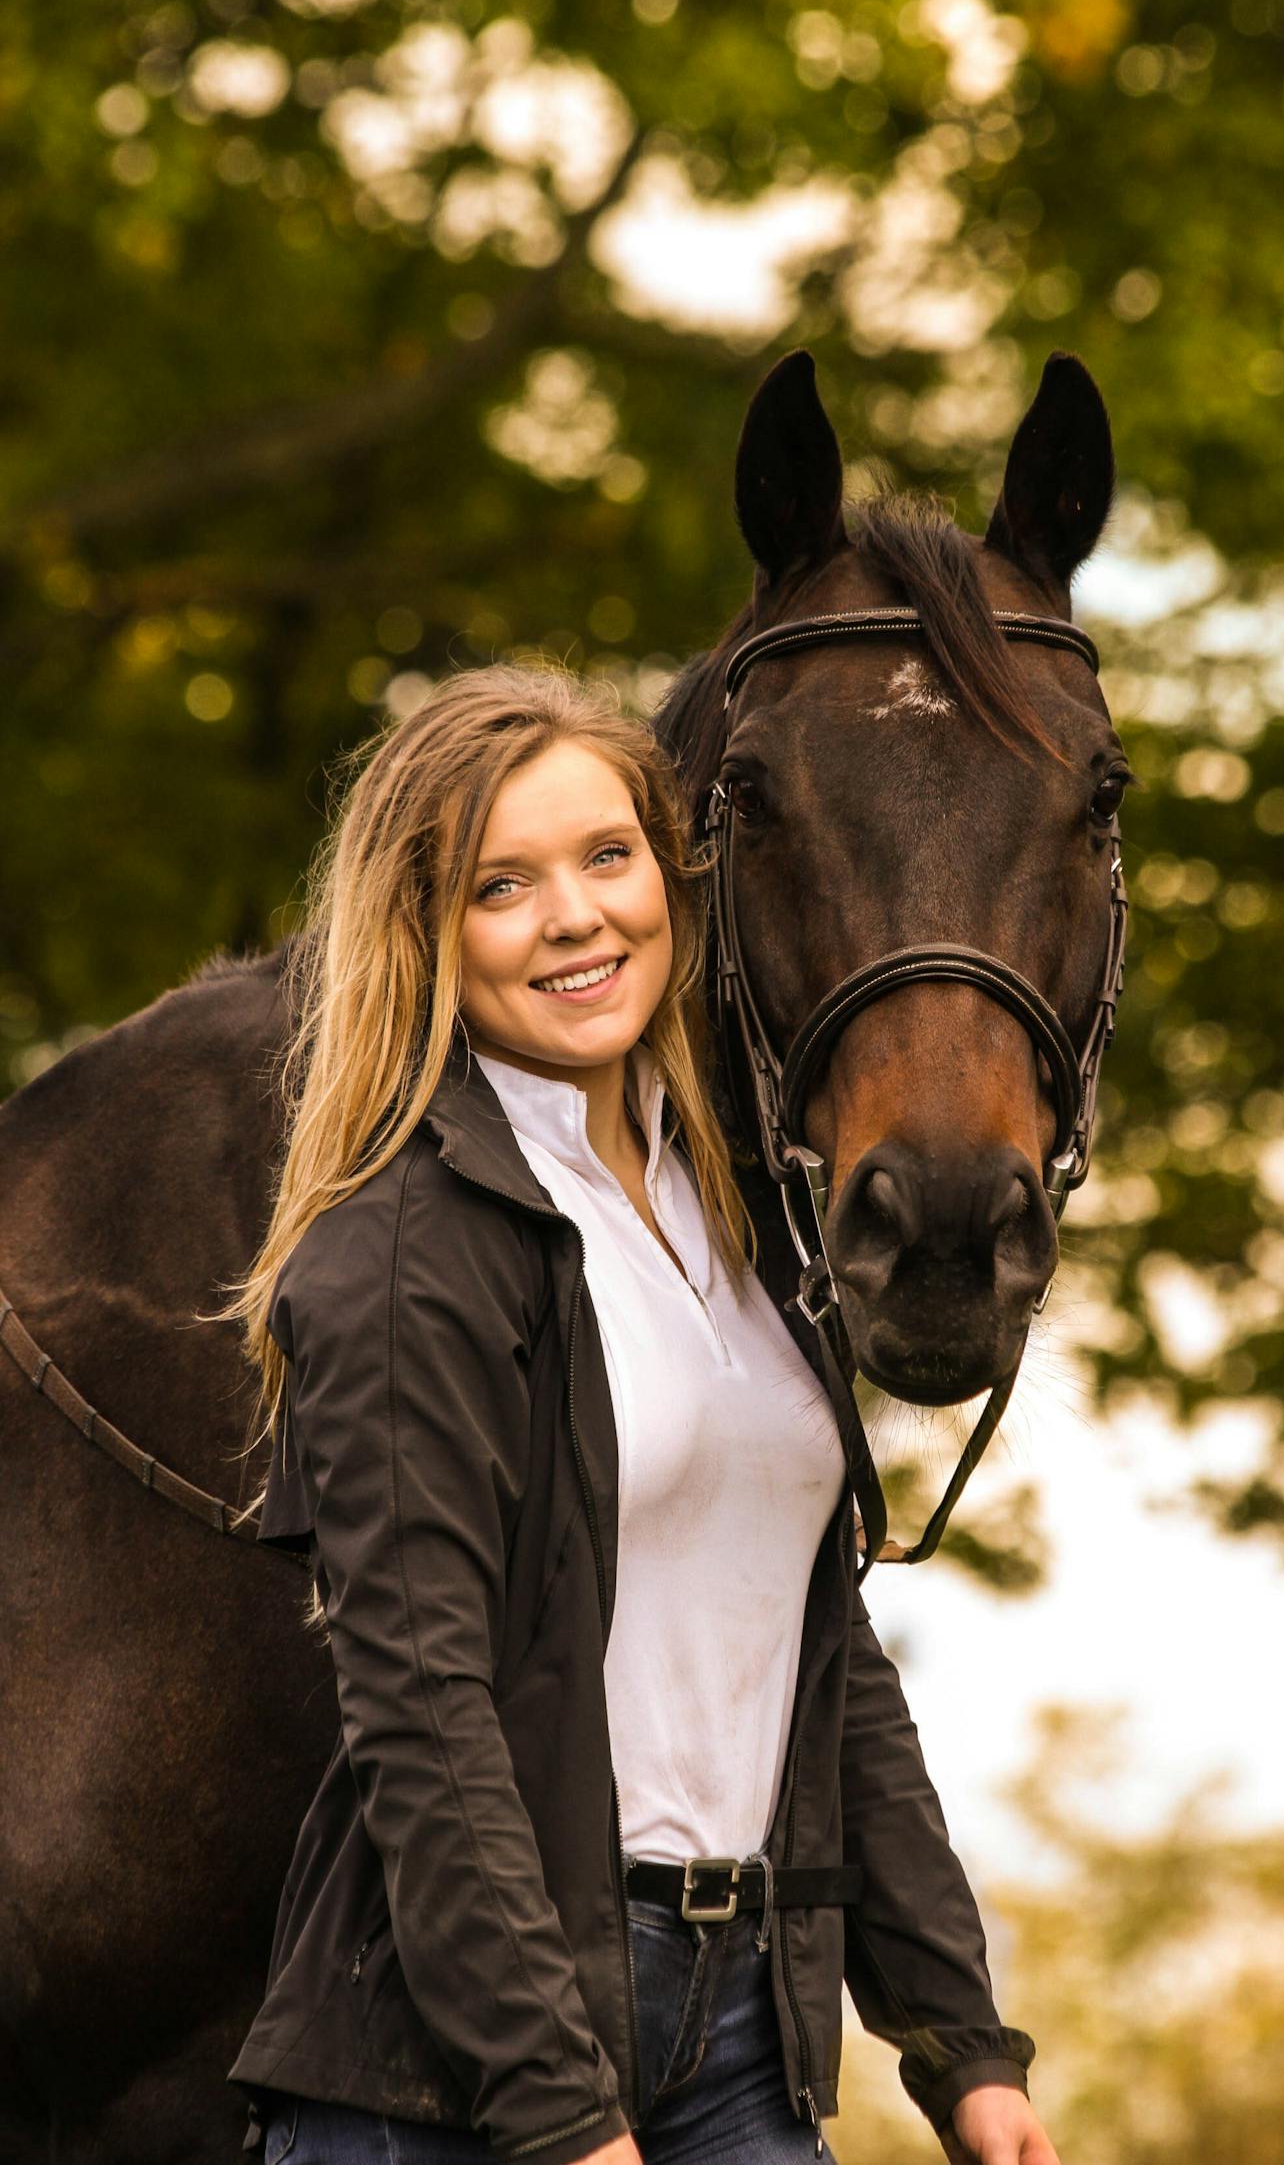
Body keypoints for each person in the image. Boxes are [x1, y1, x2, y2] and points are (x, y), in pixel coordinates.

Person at [223, 663, 1058, 2165]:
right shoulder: (408, 1252)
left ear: (671, 875)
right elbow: (424, 1713)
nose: (577, 915)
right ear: (426, 934)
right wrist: (558, 2113)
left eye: (608, 856)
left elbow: (819, 1641)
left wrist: (959, 2041)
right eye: (503, 883)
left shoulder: (738, 1218)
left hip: (739, 2028)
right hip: (457, 2072)